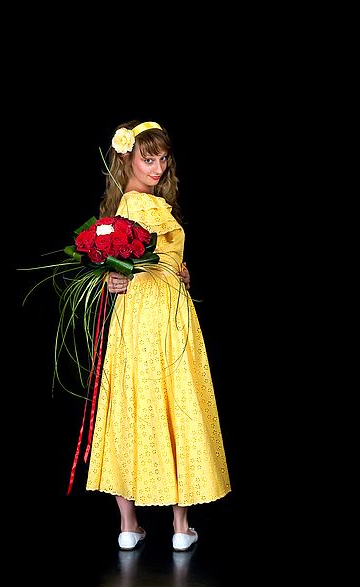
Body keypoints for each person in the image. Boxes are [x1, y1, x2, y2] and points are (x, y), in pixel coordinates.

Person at [85, 120, 231, 552]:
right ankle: (180, 527)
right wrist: (117, 276)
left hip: (142, 313)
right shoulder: (143, 205)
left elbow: (145, 259)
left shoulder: (126, 208)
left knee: (130, 403)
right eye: (149, 158)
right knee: (175, 401)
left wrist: (179, 271)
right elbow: (122, 264)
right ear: (127, 157)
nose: (158, 166)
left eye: (163, 158)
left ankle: (128, 525)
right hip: (162, 315)